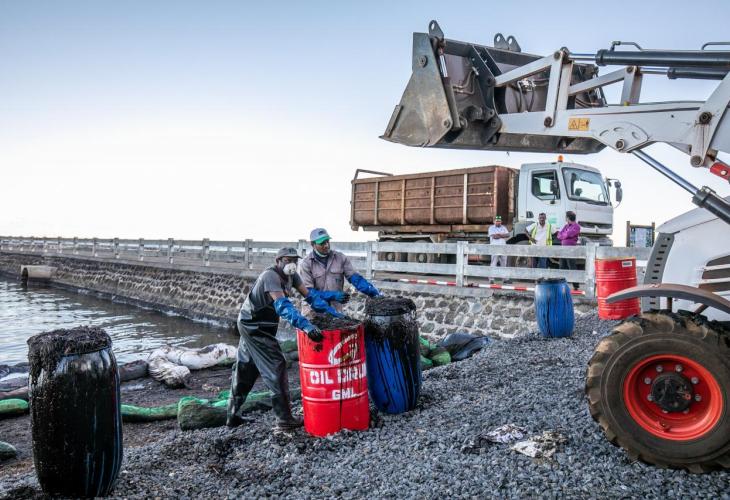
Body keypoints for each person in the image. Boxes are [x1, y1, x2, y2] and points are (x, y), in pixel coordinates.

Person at [226, 247, 345, 430]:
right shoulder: (270, 276)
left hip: (263, 324)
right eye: (287, 260)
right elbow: (283, 307)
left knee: (245, 368)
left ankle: (232, 416)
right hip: (254, 326)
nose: (292, 264)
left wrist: (335, 315)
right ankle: (285, 419)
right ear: (278, 261)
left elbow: (311, 297)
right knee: (276, 364)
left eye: (294, 260)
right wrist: (305, 326)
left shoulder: (293, 276)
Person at [299, 228, 380, 315]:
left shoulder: (340, 258)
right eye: (322, 243)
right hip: (313, 312)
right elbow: (308, 293)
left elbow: (356, 279)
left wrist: (375, 294)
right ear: (313, 244)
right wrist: (333, 295)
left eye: (327, 241)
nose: (326, 245)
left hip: (335, 311)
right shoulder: (306, 264)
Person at [557, 211, 581, 290]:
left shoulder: (576, 226)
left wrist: (564, 235)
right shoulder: (566, 226)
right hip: (563, 249)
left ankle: (576, 286)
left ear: (568, 218)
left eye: (566, 217)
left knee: (572, 266)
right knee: (562, 266)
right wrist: (565, 235)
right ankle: (562, 284)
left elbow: (569, 234)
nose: (565, 218)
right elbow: (559, 235)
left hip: (571, 250)